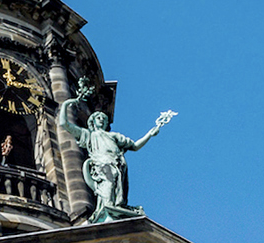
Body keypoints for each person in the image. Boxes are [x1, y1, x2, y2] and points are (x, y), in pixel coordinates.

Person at [58, 80, 176, 223]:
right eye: (98, 118)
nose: (101, 120)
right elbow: (64, 123)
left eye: (103, 118)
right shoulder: (89, 135)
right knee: (107, 188)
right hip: (102, 165)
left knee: (118, 194)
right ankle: (106, 212)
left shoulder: (114, 136)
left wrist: (150, 134)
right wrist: (66, 104)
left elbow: (135, 146)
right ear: (92, 122)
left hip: (119, 164)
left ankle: (114, 210)